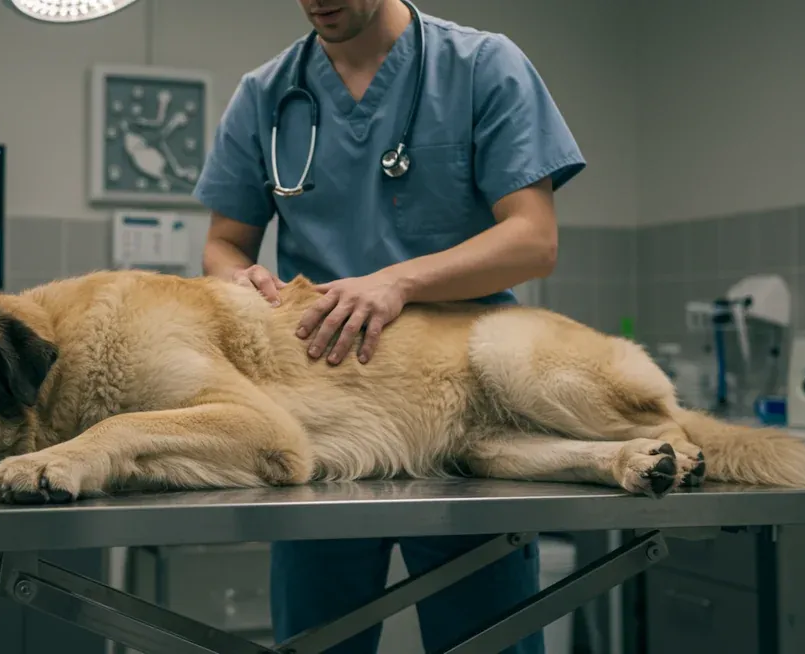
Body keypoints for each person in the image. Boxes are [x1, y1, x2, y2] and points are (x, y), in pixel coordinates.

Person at [192, 0, 585, 651]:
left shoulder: (484, 67)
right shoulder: (267, 94)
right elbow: (224, 244)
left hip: (463, 411)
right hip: (322, 417)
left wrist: (398, 282)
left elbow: (532, 241)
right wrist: (237, 278)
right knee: (319, 640)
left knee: (487, 639)